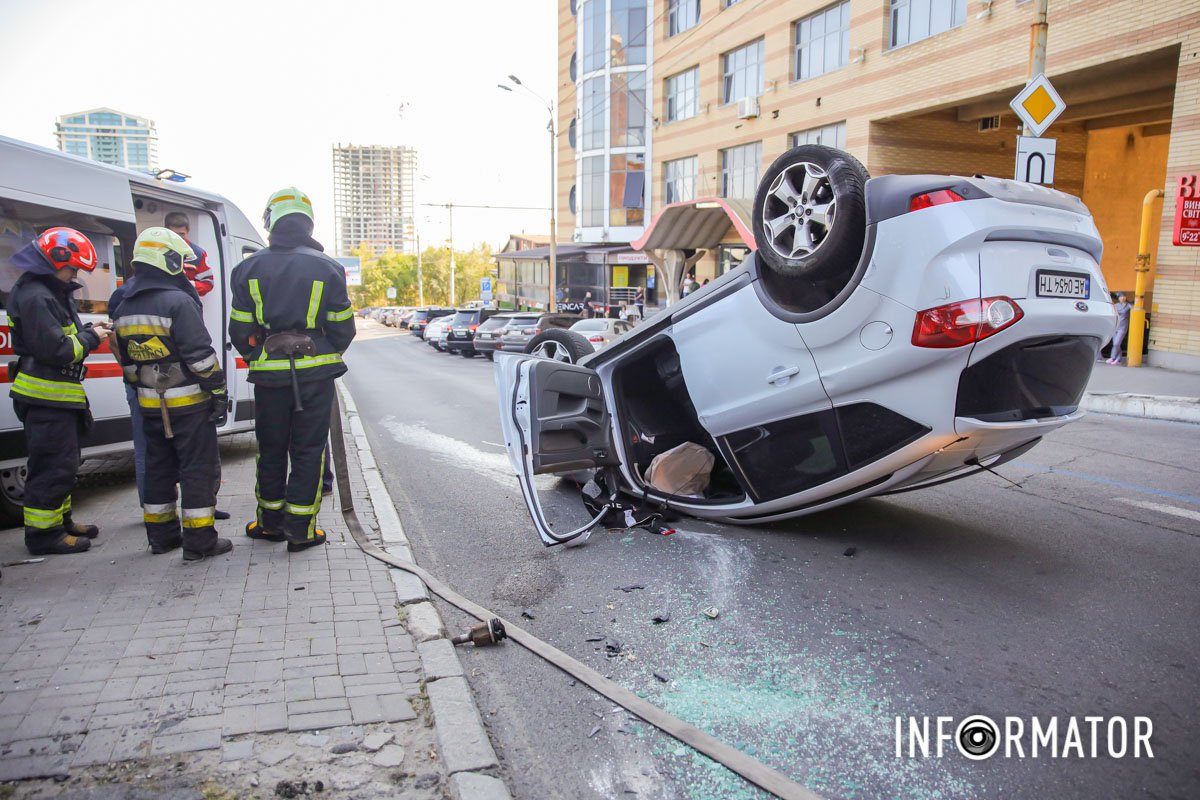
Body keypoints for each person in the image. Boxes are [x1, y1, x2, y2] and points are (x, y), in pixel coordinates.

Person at [229, 187, 355, 552]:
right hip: (315, 376)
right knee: (308, 450)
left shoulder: (247, 267)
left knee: (270, 448)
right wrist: (321, 355)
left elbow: (239, 329)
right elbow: (343, 327)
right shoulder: (329, 268)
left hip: (268, 377)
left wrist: (258, 358)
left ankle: (269, 523)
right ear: (308, 223)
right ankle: (300, 530)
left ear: (270, 221)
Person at [111, 228, 232, 561]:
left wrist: (145, 390)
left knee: (159, 468)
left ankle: (162, 537)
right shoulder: (177, 301)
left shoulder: (122, 304)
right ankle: (200, 542)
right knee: (197, 469)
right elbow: (201, 357)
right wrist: (219, 392)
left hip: (150, 405)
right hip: (189, 406)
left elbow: (128, 362)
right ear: (168, 259)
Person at [7, 228, 111, 555]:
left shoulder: (49, 291)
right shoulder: (37, 296)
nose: (74, 275)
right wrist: (93, 336)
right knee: (51, 466)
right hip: (45, 397)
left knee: (64, 464)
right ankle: (43, 536)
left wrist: (89, 332)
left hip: (59, 396)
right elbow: (59, 350)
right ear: (54, 260)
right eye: (73, 268)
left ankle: (60, 521)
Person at [164, 212, 215, 297]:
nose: (178, 238)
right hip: (162, 302)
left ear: (188, 231)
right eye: (174, 234)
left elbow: (208, 284)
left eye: (182, 234)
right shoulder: (158, 250)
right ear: (166, 231)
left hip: (186, 303)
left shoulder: (199, 254)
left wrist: (187, 285)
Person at [1105, 292, 1131, 365]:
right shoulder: (1116, 305)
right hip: (1115, 326)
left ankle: (1113, 357)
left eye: (1123, 296)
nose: (1122, 298)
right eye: (1120, 297)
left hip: (1123, 327)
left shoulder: (1128, 305)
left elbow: (1134, 309)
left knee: (1117, 343)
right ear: (1118, 298)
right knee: (1116, 344)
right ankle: (1118, 359)